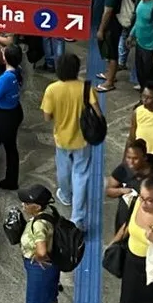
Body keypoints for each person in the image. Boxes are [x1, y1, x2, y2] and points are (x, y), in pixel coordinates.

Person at [40, 52, 99, 229]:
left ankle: (65, 195)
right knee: (81, 174)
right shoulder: (86, 88)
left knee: (63, 170)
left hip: (61, 139)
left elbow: (47, 117)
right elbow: (97, 112)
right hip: (83, 140)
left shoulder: (52, 89)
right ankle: (77, 217)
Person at [0, 45, 24, 190]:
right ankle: (11, 179)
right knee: (11, 148)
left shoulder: (6, 78)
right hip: (15, 111)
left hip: (4, 116)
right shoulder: (17, 72)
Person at [17, 184, 60, 303]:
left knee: (35, 301)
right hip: (53, 262)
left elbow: (41, 252)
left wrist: (36, 257)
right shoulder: (50, 210)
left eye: (26, 203)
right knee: (49, 295)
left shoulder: (39, 225)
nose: (23, 205)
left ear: (37, 207)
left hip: (39, 268)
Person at [94, 0, 128, 92]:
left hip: (111, 26)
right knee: (107, 52)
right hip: (106, 25)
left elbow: (108, 11)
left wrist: (101, 29)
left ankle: (109, 81)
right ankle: (109, 73)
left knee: (112, 53)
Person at [106, 139, 151, 230]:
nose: (131, 162)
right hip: (124, 217)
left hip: (145, 219)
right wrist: (121, 191)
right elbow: (108, 190)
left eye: (135, 158)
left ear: (144, 157)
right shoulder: (123, 169)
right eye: (128, 157)